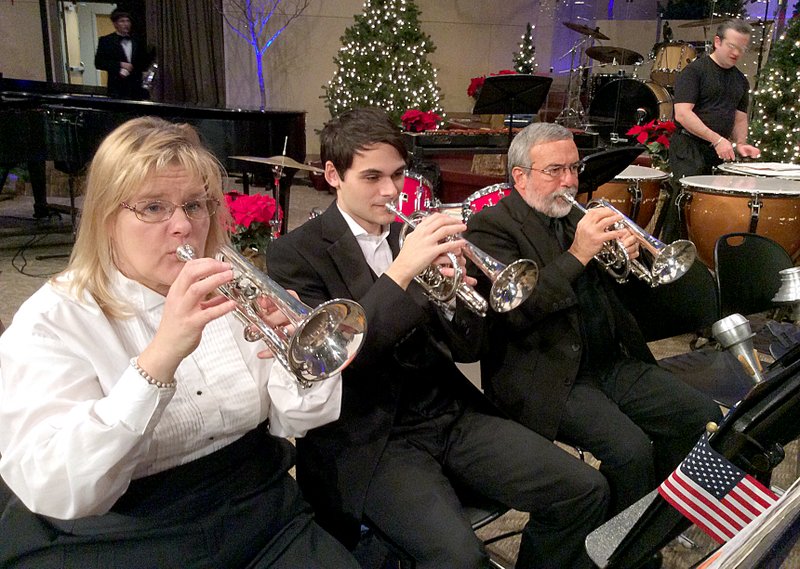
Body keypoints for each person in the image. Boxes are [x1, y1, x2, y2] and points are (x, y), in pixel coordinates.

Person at [0, 116, 360, 569]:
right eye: (153, 207)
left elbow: (299, 419)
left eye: (194, 205)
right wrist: (159, 358)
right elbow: (53, 484)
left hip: (254, 503)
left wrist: (297, 356)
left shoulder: (232, 283)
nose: (182, 227)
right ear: (107, 218)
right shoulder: (51, 320)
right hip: (123, 533)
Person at [267, 107, 609, 569]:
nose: (390, 191)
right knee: (460, 558)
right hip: (369, 435)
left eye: (398, 175)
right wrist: (403, 272)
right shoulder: (294, 254)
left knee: (584, 490)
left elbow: (471, 349)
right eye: (372, 177)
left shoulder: (408, 236)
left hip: (446, 412)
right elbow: (340, 361)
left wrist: (453, 298)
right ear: (332, 175)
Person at [464, 122, 723, 517]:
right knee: (630, 451)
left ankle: (651, 517)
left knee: (698, 416)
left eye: (574, 168)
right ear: (520, 176)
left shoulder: (572, 214)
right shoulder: (491, 227)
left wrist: (628, 261)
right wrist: (578, 255)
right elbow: (516, 312)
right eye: (555, 170)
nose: (569, 181)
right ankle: (612, 545)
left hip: (610, 360)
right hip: (548, 375)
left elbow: (620, 299)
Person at [660, 18, 760, 241]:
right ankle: (668, 250)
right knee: (685, 203)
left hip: (717, 150)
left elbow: (740, 118)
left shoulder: (740, 81)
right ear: (717, 41)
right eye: (732, 46)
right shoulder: (695, 72)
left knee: (713, 205)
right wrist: (717, 139)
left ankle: (704, 252)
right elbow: (683, 114)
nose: (736, 53)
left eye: (742, 48)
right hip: (689, 147)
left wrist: (741, 144)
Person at [94, 8, 150, 100]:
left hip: (136, 88)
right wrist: (120, 64)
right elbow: (99, 63)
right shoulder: (106, 41)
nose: (126, 24)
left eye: (128, 21)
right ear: (115, 24)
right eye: (122, 21)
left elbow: (142, 62)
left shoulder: (138, 40)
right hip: (117, 88)